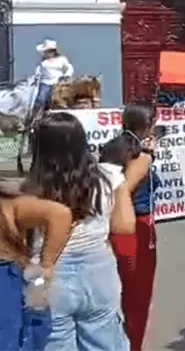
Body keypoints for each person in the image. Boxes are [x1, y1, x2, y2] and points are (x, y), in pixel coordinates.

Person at [25, 111, 151, 351]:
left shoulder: (29, 188)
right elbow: (124, 226)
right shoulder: (107, 176)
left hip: (46, 272)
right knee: (104, 339)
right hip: (97, 270)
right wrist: (126, 186)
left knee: (52, 340)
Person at [102, 105, 163, 351]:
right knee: (138, 293)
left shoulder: (112, 147)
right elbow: (125, 187)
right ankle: (132, 343)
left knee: (119, 289)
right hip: (137, 224)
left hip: (111, 224)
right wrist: (148, 156)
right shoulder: (141, 156)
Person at [0, 183, 73, 351]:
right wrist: (46, 267)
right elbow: (59, 214)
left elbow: (59, 214)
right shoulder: (9, 205)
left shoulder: (10, 206)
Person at [33, 40, 74, 109]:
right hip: (45, 83)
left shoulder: (62, 59)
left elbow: (69, 68)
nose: (46, 53)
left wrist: (67, 76)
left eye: (48, 51)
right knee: (41, 99)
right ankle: (36, 114)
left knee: (64, 99)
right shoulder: (43, 62)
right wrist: (36, 78)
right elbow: (38, 71)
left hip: (58, 83)